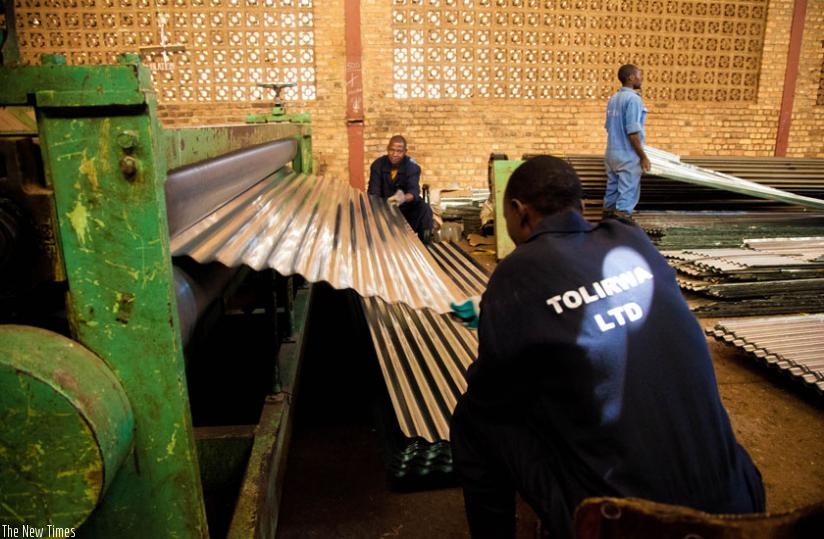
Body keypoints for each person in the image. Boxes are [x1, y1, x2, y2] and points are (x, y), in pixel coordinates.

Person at [449, 155, 765, 538]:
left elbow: (493, 395)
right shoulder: (632, 241)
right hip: (739, 508)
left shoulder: (517, 272)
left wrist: (500, 323)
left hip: (626, 526)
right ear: (581, 207)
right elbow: (600, 319)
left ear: (518, 212)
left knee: (474, 420)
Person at [603, 63, 651, 221]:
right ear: (631, 77)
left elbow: (608, 127)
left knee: (611, 193)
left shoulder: (613, 99)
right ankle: (621, 229)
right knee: (626, 198)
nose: (641, 78)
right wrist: (643, 156)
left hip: (611, 153)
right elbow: (633, 133)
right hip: (627, 155)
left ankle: (606, 227)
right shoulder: (633, 100)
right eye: (639, 75)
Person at [368, 135, 433, 244]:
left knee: (424, 209)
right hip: (385, 210)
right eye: (392, 150)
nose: (394, 154)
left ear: (405, 151)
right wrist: (383, 205)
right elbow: (373, 193)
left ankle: (426, 246)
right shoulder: (378, 165)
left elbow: (414, 192)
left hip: (407, 210)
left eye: (399, 151)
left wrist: (403, 198)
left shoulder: (412, 166)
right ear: (387, 149)